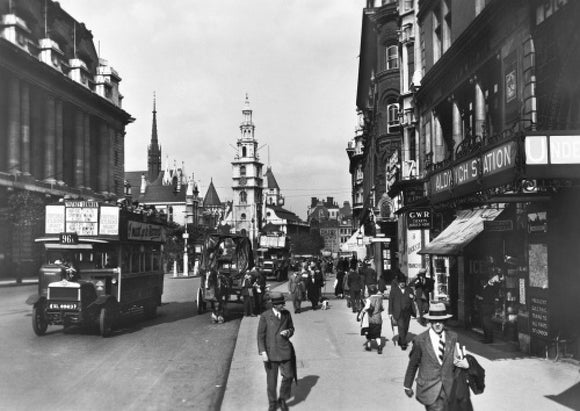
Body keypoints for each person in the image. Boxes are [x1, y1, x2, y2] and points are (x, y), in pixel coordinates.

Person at [403, 302, 470, 411]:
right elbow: (413, 364)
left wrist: (466, 364)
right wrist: (407, 385)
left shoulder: (453, 337)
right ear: (430, 321)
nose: (438, 324)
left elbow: (461, 358)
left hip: (450, 388)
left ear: (445, 321)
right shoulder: (420, 340)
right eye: (434, 321)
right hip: (429, 389)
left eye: (441, 321)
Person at [257, 292, 296, 411]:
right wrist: (263, 351)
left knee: (289, 376)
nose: (283, 305)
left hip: (285, 350)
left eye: (283, 303)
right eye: (280, 304)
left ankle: (282, 399)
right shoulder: (265, 316)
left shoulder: (287, 314)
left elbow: (292, 328)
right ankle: (272, 403)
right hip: (270, 352)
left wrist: (288, 332)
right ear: (274, 305)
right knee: (271, 382)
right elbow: (260, 335)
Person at [388, 272, 416, 350]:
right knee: (401, 326)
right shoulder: (394, 290)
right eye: (401, 283)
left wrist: (412, 297)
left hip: (407, 311)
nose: (402, 284)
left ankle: (401, 338)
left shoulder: (409, 289)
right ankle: (403, 343)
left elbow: (413, 298)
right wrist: (390, 313)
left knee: (406, 327)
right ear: (398, 283)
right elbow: (390, 301)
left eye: (404, 283)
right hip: (398, 312)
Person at [476, 273, 502, 343]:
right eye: (481, 282)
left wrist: (480, 298)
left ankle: (489, 339)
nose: (481, 283)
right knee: (484, 324)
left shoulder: (490, 288)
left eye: (482, 281)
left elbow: (489, 298)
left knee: (487, 324)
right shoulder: (483, 288)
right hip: (484, 308)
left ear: (485, 281)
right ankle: (486, 337)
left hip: (488, 308)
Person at [362, 284, 384, 354]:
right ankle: (379, 346)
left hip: (371, 318)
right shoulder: (380, 298)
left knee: (369, 334)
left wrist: (362, 312)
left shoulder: (369, 299)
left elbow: (367, 307)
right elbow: (382, 308)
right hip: (378, 318)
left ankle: (368, 346)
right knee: (377, 334)